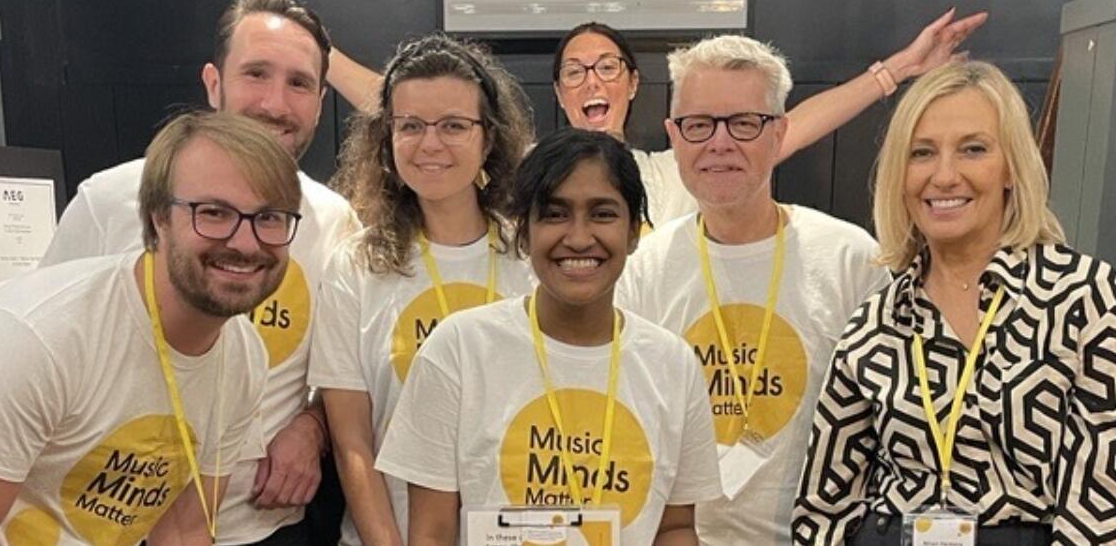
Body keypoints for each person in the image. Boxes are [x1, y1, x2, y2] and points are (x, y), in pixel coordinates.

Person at [242, 0, 987, 226]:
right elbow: (403, 105)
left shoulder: (681, 167)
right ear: (559, 92)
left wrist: (897, 70)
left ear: (633, 86)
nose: (591, 81)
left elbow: (788, 128)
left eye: (606, 68)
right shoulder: (518, 169)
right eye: (574, 70)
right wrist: (310, 42)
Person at [0, 111, 296, 545]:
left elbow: (184, 530)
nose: (245, 242)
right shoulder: (41, 335)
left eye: (270, 218)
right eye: (214, 212)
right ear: (156, 220)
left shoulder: (243, 359)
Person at [37, 0, 358, 545]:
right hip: (101, 521)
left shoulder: (334, 222)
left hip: (260, 521)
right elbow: (42, 348)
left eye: (299, 83)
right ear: (214, 83)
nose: (275, 103)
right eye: (256, 73)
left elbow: (346, 370)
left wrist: (313, 428)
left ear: (320, 100)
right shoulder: (110, 199)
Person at [792, 61, 1116, 545]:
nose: (944, 176)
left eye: (973, 149)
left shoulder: (1086, 298)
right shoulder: (877, 322)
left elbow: (1113, 504)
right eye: (922, 153)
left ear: (1011, 167)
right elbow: (824, 504)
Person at [375, 128, 723, 545]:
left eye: (603, 213)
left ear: (633, 233)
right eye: (555, 214)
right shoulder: (458, 350)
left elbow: (676, 527)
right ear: (524, 233)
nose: (578, 237)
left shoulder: (674, 366)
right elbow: (432, 533)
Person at [613, 35, 891, 545]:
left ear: (779, 132)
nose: (720, 144)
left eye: (744, 123)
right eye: (699, 124)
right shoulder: (642, 272)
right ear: (675, 135)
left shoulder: (851, 259)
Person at [307, 34, 537, 546]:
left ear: (490, 138)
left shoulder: (531, 257)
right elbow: (353, 445)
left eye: (454, 125)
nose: (430, 144)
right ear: (386, 140)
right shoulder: (356, 265)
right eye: (410, 126)